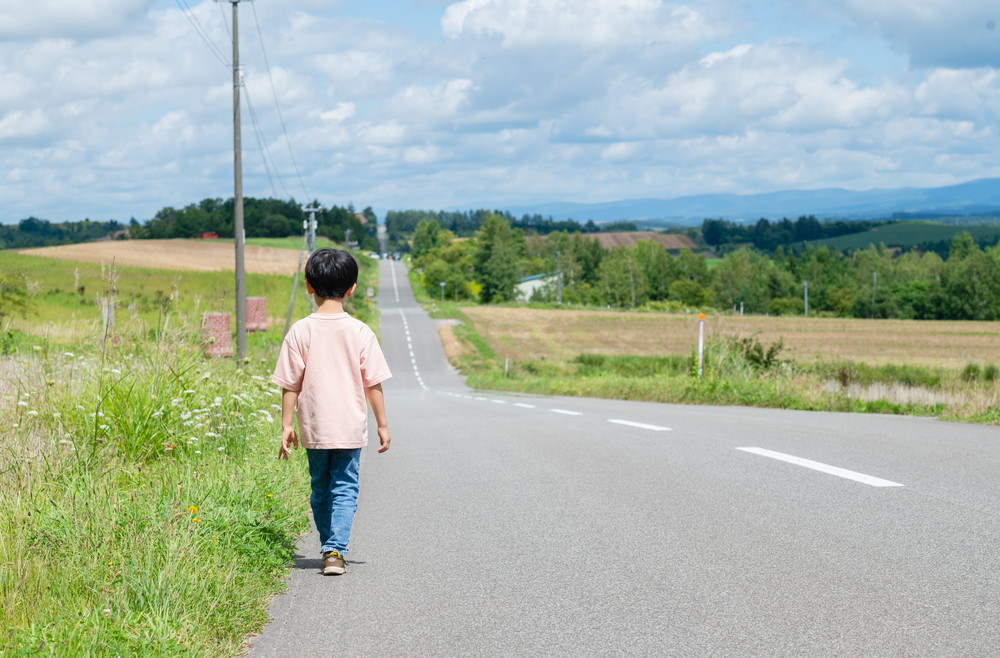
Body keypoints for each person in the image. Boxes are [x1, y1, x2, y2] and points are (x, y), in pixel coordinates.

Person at [271, 248, 392, 576]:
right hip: (350, 426)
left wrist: (285, 426)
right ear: (352, 288)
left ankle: (330, 546)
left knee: (320, 485)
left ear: (309, 286)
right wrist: (382, 424)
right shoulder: (361, 332)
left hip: (314, 425)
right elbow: (374, 384)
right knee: (344, 485)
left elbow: (290, 385)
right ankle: (335, 550)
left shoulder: (300, 331)